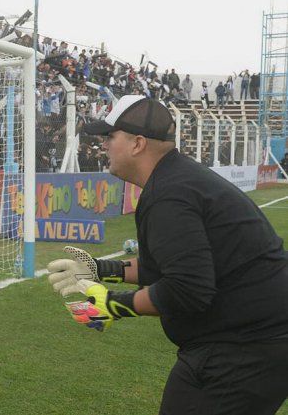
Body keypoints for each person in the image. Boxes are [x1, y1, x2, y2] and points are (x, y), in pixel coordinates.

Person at [46, 95, 288, 414]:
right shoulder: (176, 180)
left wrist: (111, 305)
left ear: (138, 143)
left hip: (244, 349)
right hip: (249, 342)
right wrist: (99, 269)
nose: (103, 145)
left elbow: (188, 289)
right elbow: (170, 268)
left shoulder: (170, 194)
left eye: (109, 136)